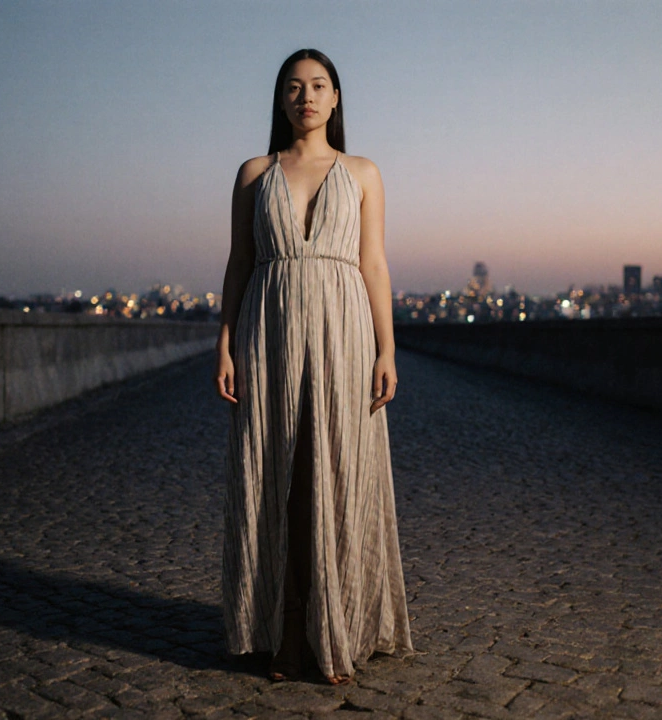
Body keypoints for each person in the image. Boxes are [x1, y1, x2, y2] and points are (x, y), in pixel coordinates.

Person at [215, 48, 413, 685]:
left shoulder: (362, 171)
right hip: (268, 331)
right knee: (275, 475)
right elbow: (240, 264)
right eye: (294, 86)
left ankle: (335, 625)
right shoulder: (254, 173)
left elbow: (374, 264)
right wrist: (223, 343)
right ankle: (283, 630)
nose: (307, 96)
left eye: (319, 85)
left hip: (343, 333)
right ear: (280, 99)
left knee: (334, 470)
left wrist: (386, 347)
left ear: (335, 98)